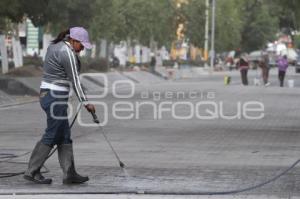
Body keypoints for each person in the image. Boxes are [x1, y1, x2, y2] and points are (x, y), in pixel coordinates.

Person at [23, 27, 96, 184]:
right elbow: (75, 80)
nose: (82, 48)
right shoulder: (66, 52)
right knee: (52, 134)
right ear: (73, 40)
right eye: (81, 44)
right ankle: (32, 171)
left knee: (64, 135)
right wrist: (86, 102)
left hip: (49, 96)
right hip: (54, 98)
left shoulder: (55, 47)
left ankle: (69, 174)